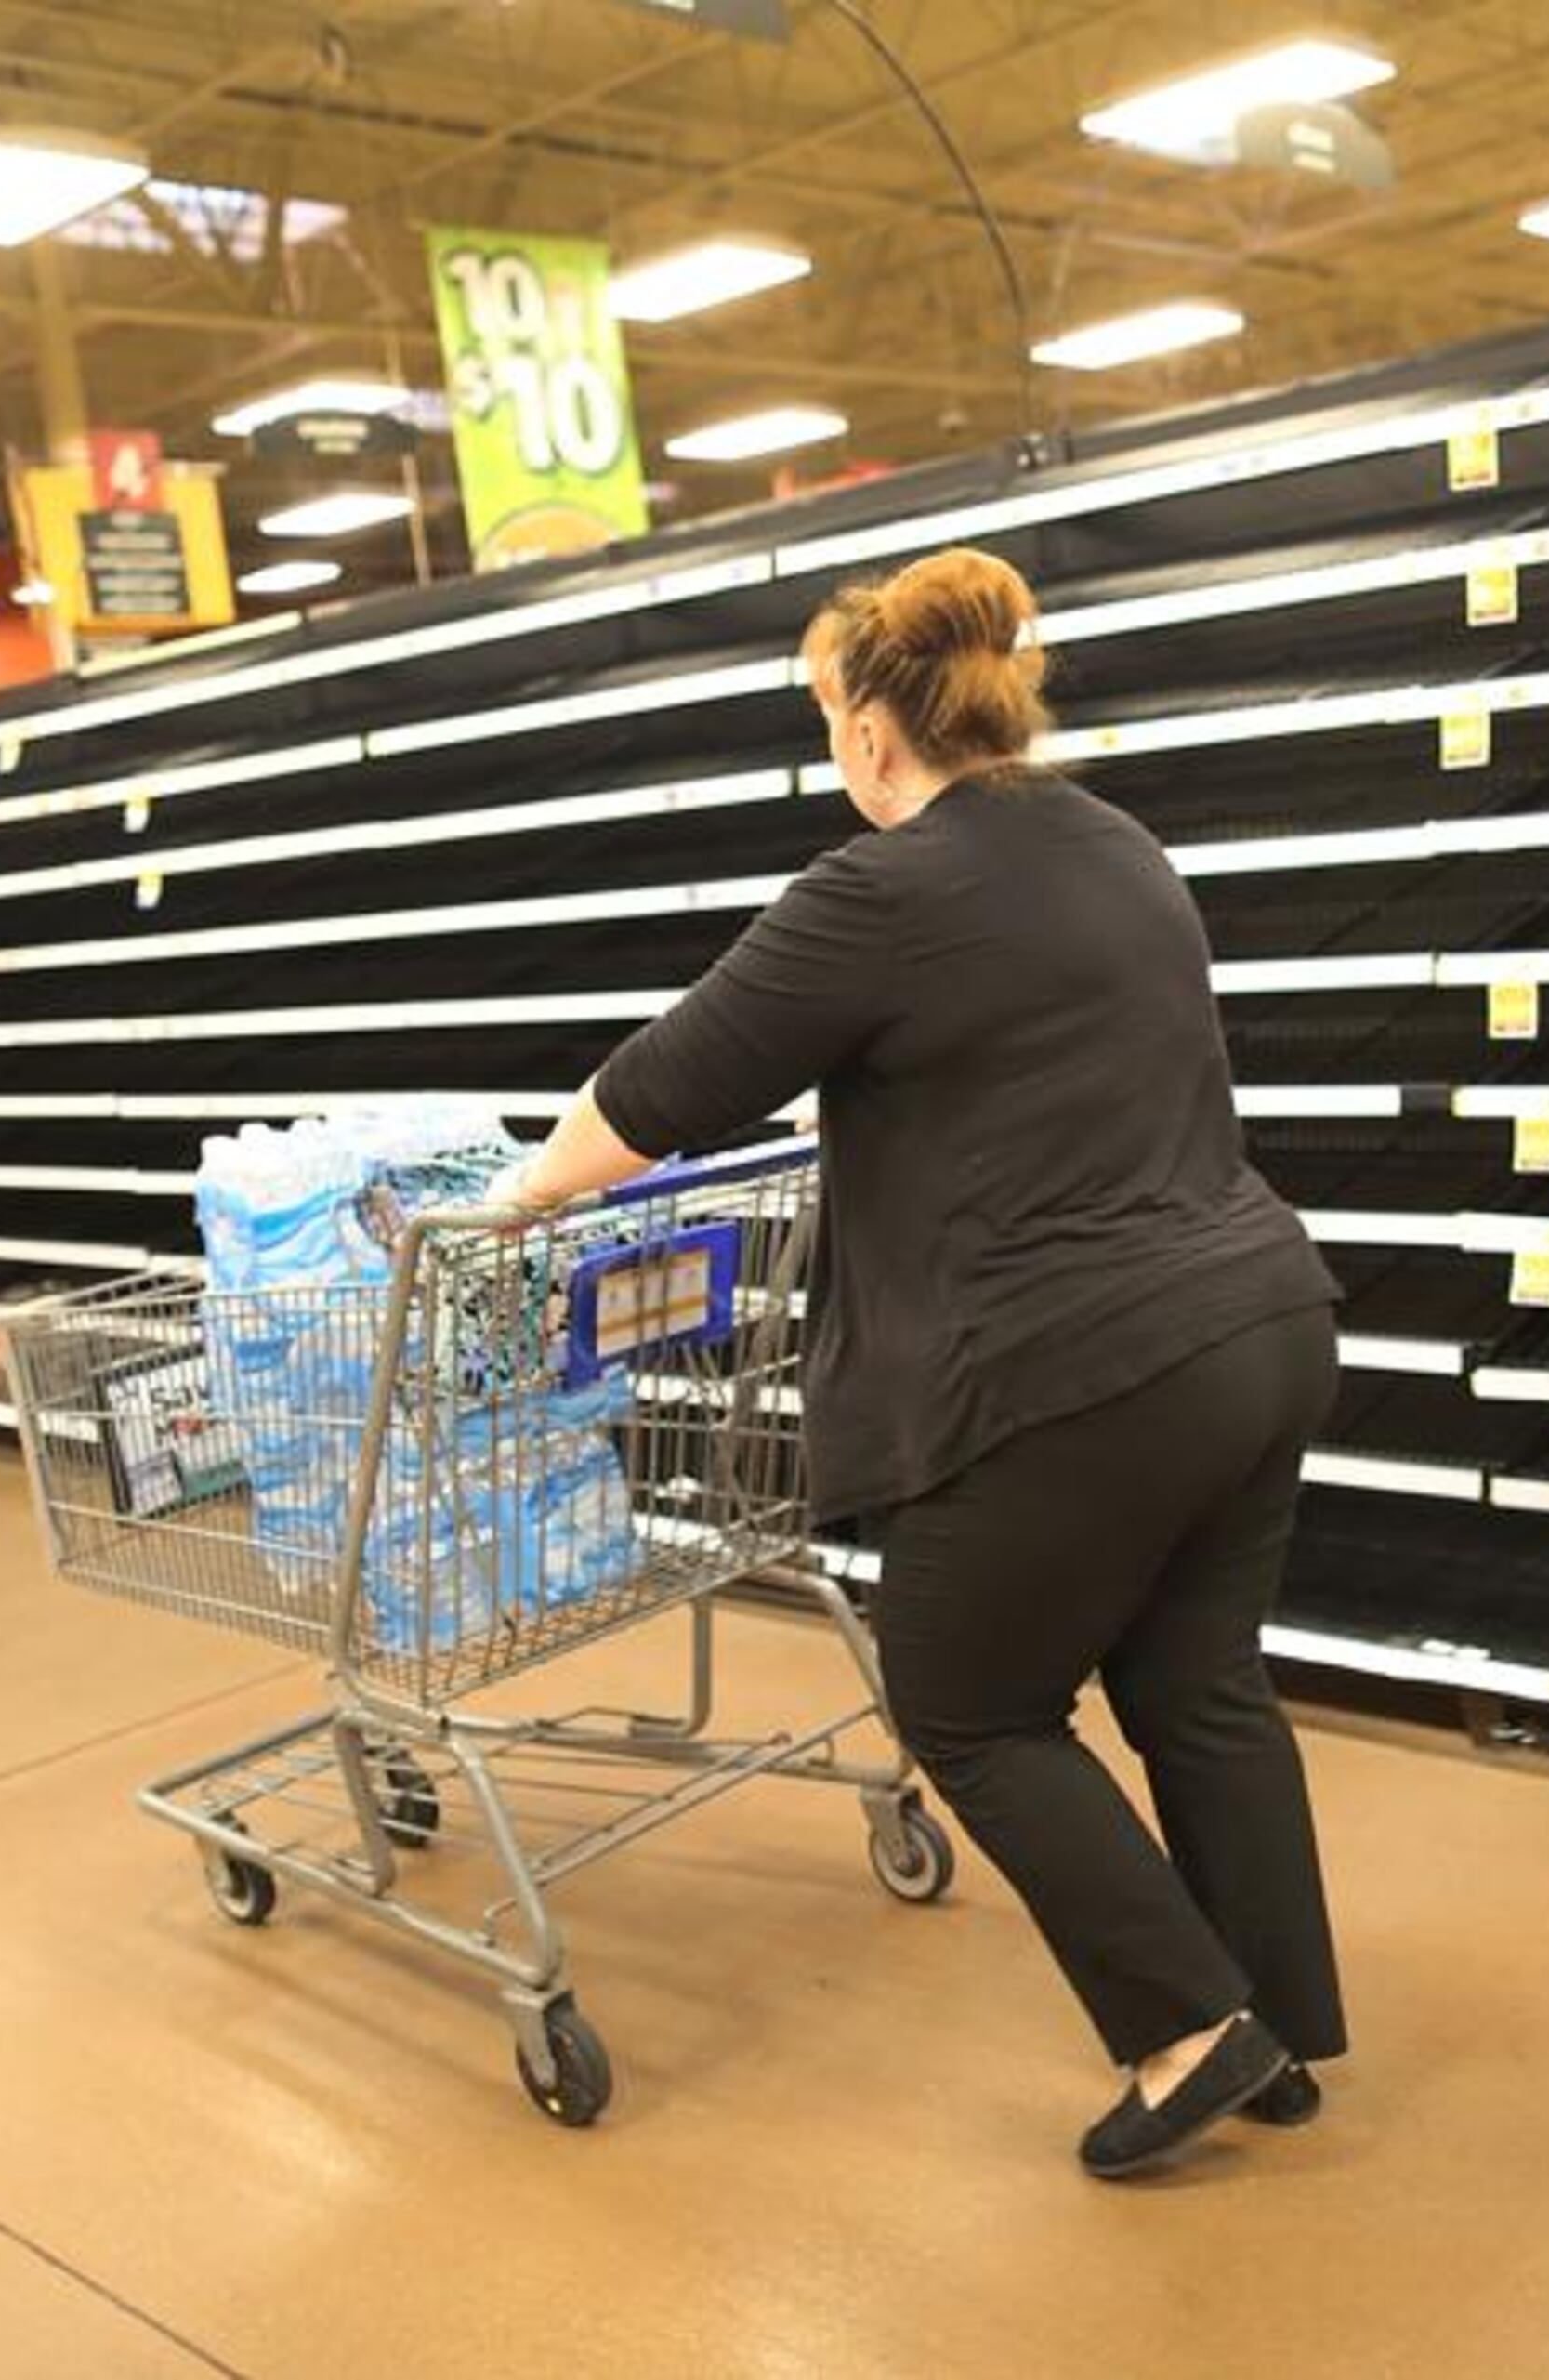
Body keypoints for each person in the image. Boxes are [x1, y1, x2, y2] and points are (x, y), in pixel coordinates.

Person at [492, 546, 1351, 2179]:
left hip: (1083, 1365)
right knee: (1197, 1682)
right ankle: (1281, 2031)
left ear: (874, 731)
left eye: (827, 721)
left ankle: (1187, 2029)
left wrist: (519, 1193)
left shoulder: (877, 893)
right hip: (1259, 1320)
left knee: (970, 1701)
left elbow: (667, 1083)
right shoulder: (1116, 842)